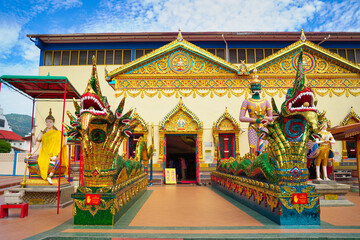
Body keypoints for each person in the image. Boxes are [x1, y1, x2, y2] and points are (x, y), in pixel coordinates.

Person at [27, 109, 68, 184]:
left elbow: (64, 144)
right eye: (47, 122)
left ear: (53, 122)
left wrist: (66, 135)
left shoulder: (58, 133)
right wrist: (33, 134)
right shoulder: (42, 133)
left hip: (54, 155)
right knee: (28, 160)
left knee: (59, 161)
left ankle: (50, 176)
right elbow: (35, 145)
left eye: (50, 122)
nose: (48, 123)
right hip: (44, 154)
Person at [239, 69, 273, 155]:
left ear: (261, 88)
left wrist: (263, 119)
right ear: (250, 88)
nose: (256, 88)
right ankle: (253, 162)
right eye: (254, 86)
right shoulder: (246, 101)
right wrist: (255, 120)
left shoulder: (265, 101)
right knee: (252, 147)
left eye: (258, 86)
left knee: (265, 147)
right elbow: (241, 118)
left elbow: (271, 118)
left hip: (264, 126)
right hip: (253, 127)